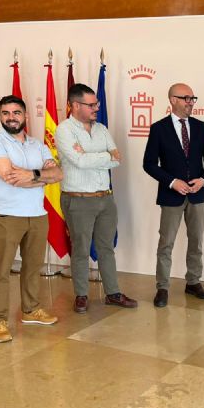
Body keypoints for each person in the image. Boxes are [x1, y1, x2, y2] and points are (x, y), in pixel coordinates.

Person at [0, 95, 62, 343]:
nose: (11, 117)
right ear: (0, 116)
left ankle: (31, 309)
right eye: (5, 113)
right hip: (5, 215)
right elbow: (11, 177)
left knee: (33, 267)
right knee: (1, 271)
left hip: (36, 214)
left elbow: (58, 174)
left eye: (16, 112)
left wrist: (31, 175)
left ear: (25, 116)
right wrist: (42, 176)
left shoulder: (38, 145)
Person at [56, 83, 137, 313]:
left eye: (97, 104)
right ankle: (81, 295)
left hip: (105, 199)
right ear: (75, 105)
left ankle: (113, 293)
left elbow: (117, 159)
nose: (96, 108)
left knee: (106, 248)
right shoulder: (64, 130)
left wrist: (94, 156)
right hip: (78, 199)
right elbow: (79, 161)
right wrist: (105, 156)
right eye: (91, 105)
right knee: (81, 249)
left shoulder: (101, 129)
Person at [143, 83, 204, 308]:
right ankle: (162, 287)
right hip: (171, 196)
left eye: (192, 98)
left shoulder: (200, 127)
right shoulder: (159, 129)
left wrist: (203, 180)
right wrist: (172, 182)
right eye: (186, 98)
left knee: (196, 241)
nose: (190, 102)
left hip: (197, 195)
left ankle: (193, 282)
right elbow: (149, 164)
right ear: (173, 100)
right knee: (166, 243)